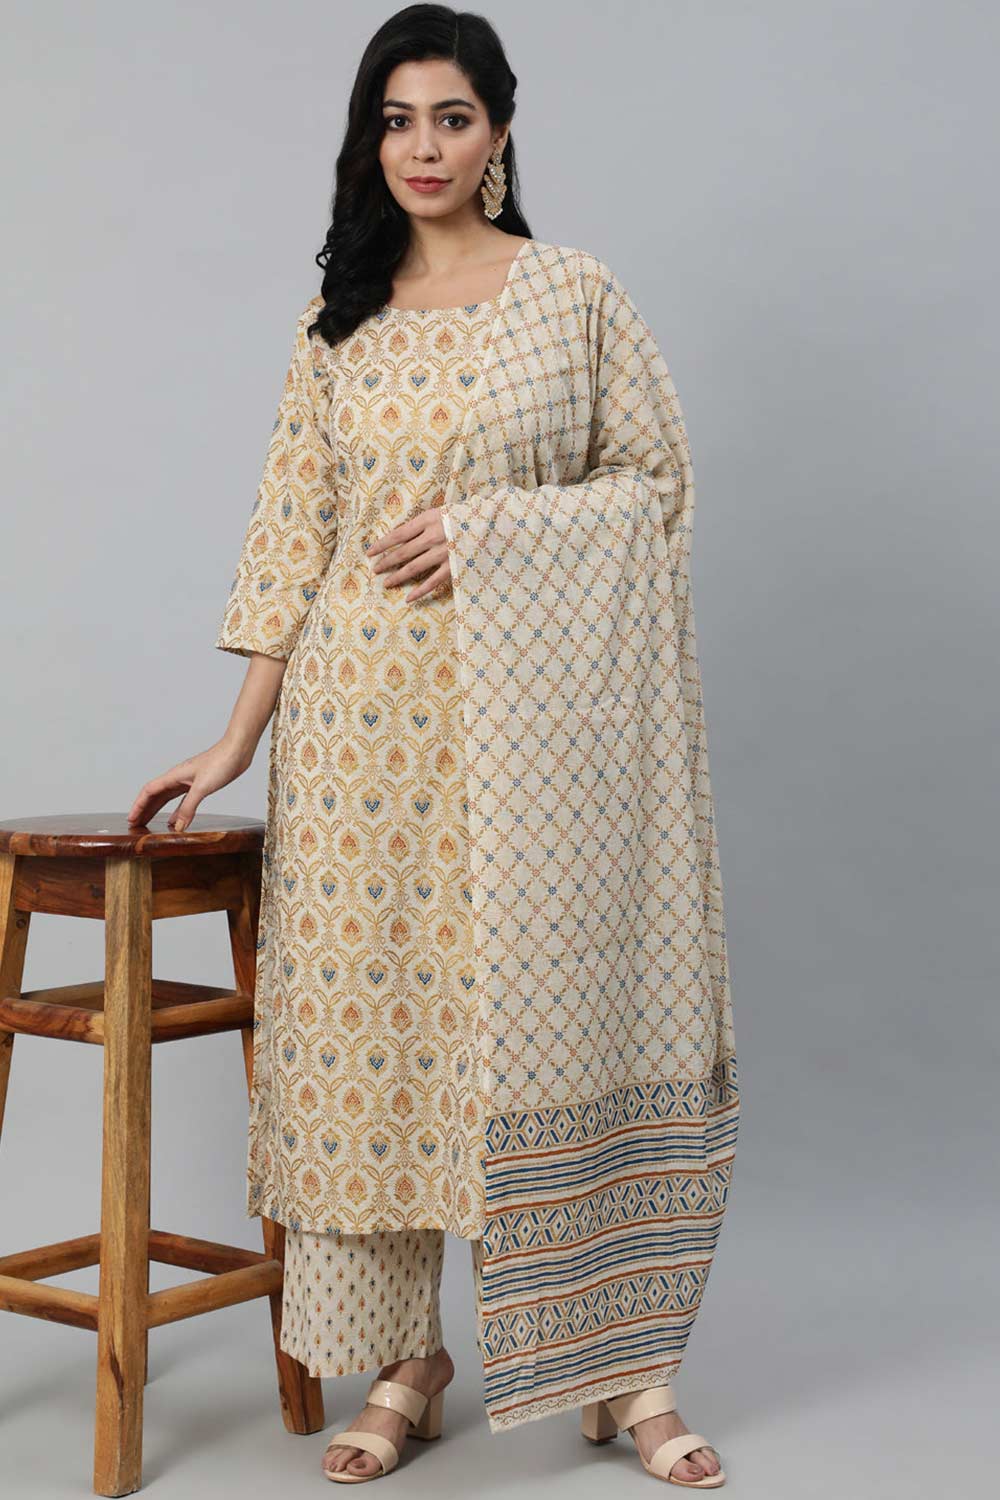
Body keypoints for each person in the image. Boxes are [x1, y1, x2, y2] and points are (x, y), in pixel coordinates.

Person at [129, 4, 740, 1490]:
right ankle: (407, 1359)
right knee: (380, 1047)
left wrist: (491, 533)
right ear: (370, 139)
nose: (423, 147)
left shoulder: (572, 294)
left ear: (501, 132)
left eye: (451, 118)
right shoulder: (338, 322)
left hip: (545, 745)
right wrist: (232, 741)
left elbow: (655, 490)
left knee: (570, 1018)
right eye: (396, 120)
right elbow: (294, 537)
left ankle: (621, 1364)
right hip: (363, 747)